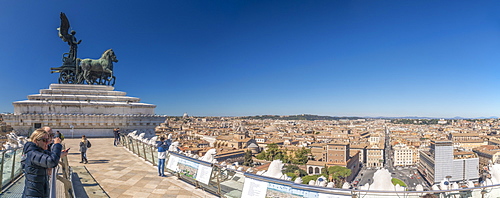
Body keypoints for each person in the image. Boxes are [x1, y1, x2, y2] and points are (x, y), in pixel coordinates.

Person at [22, 129, 69, 197]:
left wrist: (61, 153)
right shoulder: (33, 153)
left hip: (38, 191)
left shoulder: (39, 150)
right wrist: (57, 145)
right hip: (34, 194)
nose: (47, 142)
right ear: (36, 141)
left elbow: (49, 156)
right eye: (44, 140)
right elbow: (51, 161)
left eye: (48, 140)